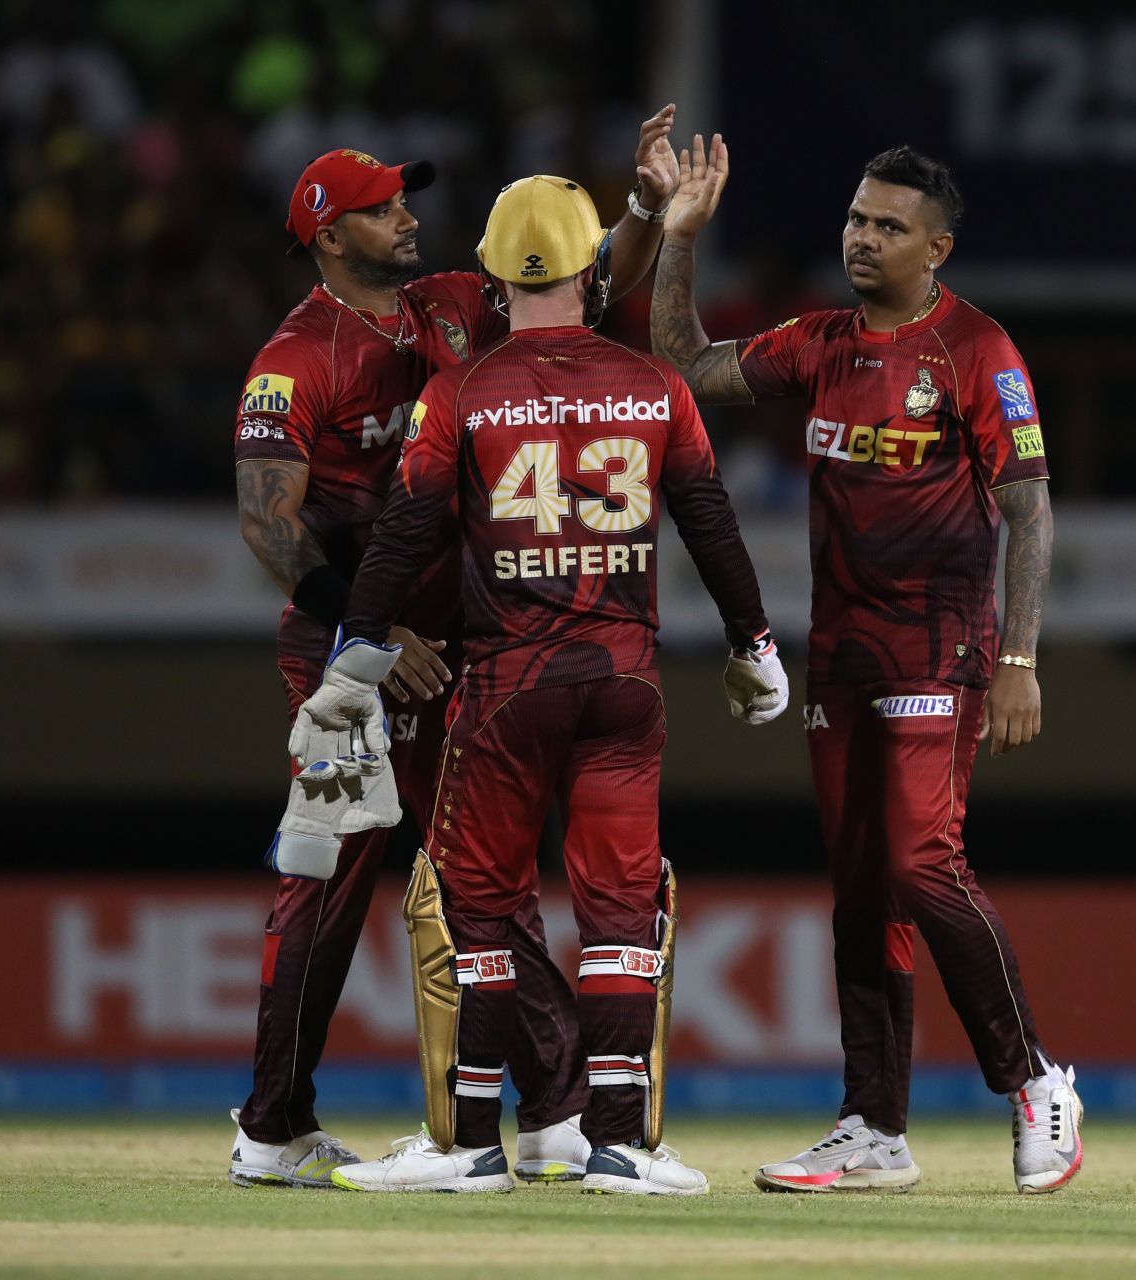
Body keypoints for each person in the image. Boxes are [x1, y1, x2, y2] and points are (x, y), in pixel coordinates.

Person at [227, 109, 680, 1189]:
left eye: (404, 198)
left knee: (480, 880)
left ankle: (548, 1112)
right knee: (341, 884)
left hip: (472, 645)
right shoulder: (295, 357)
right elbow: (265, 521)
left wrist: (648, 211)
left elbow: (588, 275)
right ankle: (282, 1124)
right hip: (357, 659)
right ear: (328, 234)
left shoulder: (457, 303)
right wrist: (372, 636)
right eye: (381, 208)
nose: (406, 215)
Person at [311, 173, 786, 1196]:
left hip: (508, 682)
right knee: (619, 912)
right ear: (592, 267)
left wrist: (357, 654)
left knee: (478, 907)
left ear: (490, 268)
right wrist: (755, 644)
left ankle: (472, 1142)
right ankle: (619, 1141)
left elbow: (402, 538)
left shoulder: (462, 391)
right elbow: (710, 520)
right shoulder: (657, 386)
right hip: (624, 680)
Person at [652, 139, 1082, 1194]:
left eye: (888, 226)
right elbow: (685, 370)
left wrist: (1020, 657)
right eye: (854, 217)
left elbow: (1030, 507)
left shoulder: (979, 350)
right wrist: (679, 241)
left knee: (922, 860)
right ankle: (872, 1124)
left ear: (937, 247)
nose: (861, 236)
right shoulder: (822, 341)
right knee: (859, 888)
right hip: (841, 651)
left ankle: (1035, 1082)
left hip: (942, 641)